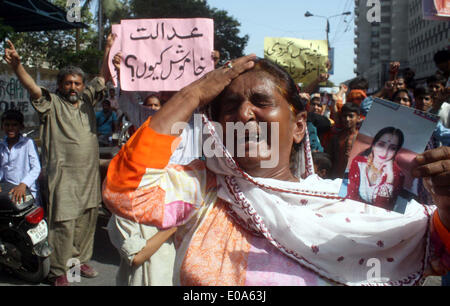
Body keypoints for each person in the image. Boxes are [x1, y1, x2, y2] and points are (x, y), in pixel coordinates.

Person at [103, 55, 450, 285]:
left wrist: (448, 201)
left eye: (261, 102)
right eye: (230, 106)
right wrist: (193, 94)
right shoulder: (205, 190)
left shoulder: (347, 204)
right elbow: (125, 191)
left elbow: (437, 248)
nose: (244, 115)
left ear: (299, 125)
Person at [3, 35, 115, 286]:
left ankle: (78, 262)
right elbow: (33, 88)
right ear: (60, 86)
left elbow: (103, 77)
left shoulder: (87, 100)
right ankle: (58, 271)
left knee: (87, 221)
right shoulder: (51, 104)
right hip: (63, 176)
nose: (73, 87)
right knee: (63, 224)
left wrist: (108, 48)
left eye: (77, 83)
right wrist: (17, 66)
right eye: (67, 84)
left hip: (88, 176)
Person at [346, 127, 405, 211]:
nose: (385, 153)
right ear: (373, 145)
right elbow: (351, 197)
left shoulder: (397, 175)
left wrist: (389, 179)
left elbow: (382, 210)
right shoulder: (358, 162)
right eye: (381, 145)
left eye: (392, 148)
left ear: (396, 152)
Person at [107, 215, 177, 286]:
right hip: (143, 280)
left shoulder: (168, 207)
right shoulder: (123, 213)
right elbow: (136, 257)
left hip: (170, 277)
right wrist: (174, 226)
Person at [0, 109, 41, 206]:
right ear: (2, 127)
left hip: (27, 191)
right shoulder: (1, 146)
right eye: (7, 125)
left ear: (21, 127)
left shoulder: (28, 143)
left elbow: (36, 168)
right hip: (8, 190)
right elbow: (2, 169)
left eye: (14, 125)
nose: (10, 128)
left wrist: (23, 184)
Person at [326, 102, 360, 179]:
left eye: (351, 116)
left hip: (352, 180)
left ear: (358, 118)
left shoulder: (361, 139)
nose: (347, 119)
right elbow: (328, 159)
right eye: (345, 116)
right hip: (335, 180)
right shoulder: (335, 138)